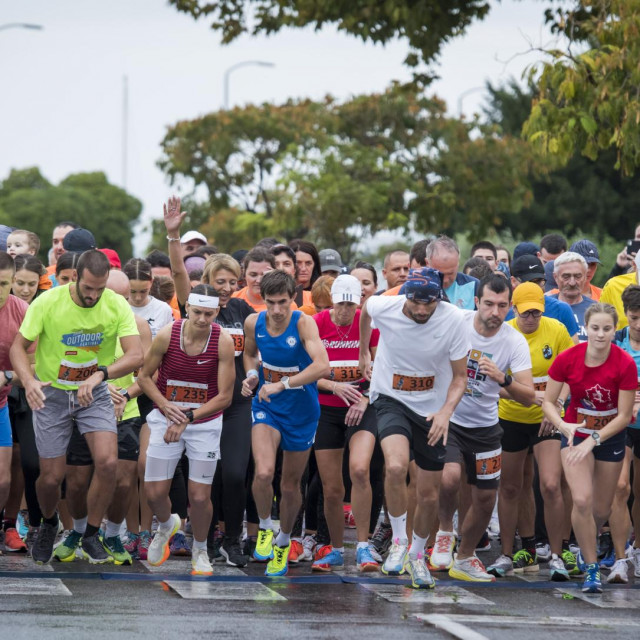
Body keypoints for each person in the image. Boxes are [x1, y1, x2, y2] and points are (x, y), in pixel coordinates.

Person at [10, 249, 143, 565]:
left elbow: (136, 354)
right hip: (52, 394)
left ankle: (91, 533)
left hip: (92, 393)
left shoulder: (114, 304)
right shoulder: (49, 302)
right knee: (51, 478)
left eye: (100, 288)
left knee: (108, 462)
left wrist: (101, 374)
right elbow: (18, 347)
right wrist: (28, 381)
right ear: (75, 278)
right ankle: (48, 521)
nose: (94, 295)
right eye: (88, 289)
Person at [359, 268, 470, 588]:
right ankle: (398, 542)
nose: (422, 310)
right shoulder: (386, 307)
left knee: (429, 493)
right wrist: (363, 350)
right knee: (395, 466)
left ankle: (418, 555)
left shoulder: (454, 320)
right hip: (391, 398)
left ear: (439, 298)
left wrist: (446, 412)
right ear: (405, 295)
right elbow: (365, 311)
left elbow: (460, 377)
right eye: (416, 302)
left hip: (433, 410)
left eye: (429, 303)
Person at [431, 275, 535, 582]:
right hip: (450, 417)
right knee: (449, 479)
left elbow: (529, 396)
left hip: (486, 426)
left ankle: (465, 557)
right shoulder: (457, 322)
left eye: (503, 306)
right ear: (477, 302)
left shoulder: (513, 340)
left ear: (511, 308)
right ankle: (444, 532)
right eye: (489, 304)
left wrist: (503, 378)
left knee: (487, 498)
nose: (495, 312)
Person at [54, 270, 152, 565]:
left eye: (126, 298)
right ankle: (79, 532)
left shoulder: (138, 325)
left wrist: (126, 396)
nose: (121, 303)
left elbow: (147, 374)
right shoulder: (76, 322)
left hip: (126, 410)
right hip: (82, 408)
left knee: (123, 482)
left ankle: (111, 534)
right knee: (77, 480)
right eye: (114, 296)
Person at [138, 284, 235, 576]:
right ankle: (168, 525)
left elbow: (225, 397)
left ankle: (201, 548)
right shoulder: (168, 334)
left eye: (209, 314)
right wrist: (167, 407)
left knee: (200, 496)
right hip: (167, 414)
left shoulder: (223, 341)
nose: (203, 319)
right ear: (186, 310)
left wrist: (188, 417)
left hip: (203, 422)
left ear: (217, 312)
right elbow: (143, 377)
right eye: (197, 313)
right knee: (154, 493)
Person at [542, 302, 636, 594]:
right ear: (587, 328)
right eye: (594, 328)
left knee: (601, 509)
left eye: (607, 329)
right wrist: (562, 425)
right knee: (581, 500)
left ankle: (586, 544)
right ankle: (592, 568)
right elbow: (547, 401)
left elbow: (623, 416)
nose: (600, 334)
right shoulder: (568, 359)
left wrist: (596, 439)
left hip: (609, 437)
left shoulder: (624, 363)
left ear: (614, 330)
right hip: (574, 434)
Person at [241, 270, 330, 577]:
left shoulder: (303, 323)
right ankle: (265, 527)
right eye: (270, 303)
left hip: (302, 412)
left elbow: (323, 366)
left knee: (290, 485)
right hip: (267, 405)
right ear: (261, 299)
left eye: (283, 302)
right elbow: (250, 354)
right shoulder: (254, 322)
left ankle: (283, 540)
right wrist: (252, 376)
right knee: (264, 471)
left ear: (294, 298)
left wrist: (283, 383)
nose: (277, 311)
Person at [487, 283, 574, 581]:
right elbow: (494, 384)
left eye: (536, 312)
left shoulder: (557, 330)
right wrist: (527, 396)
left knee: (550, 484)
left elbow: (571, 374)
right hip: (511, 418)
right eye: (525, 313)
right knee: (511, 486)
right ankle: (508, 553)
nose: (531, 318)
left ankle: (558, 555)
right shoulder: (503, 333)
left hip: (547, 419)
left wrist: (556, 405)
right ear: (514, 308)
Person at [311, 275, 381, 573]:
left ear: (359, 303)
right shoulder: (315, 324)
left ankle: (363, 548)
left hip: (362, 407)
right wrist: (334, 387)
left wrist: (364, 399)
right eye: (340, 304)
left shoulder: (369, 327)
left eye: (351, 305)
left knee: (360, 470)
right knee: (331, 487)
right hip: (326, 408)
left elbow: (381, 370)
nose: (345, 311)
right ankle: (337, 549)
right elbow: (306, 371)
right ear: (331, 302)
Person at [0, 252, 31, 553]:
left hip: (3, 402)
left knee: (4, 478)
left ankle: (7, 524)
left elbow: (37, 363)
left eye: (3, 283)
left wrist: (9, 373)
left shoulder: (21, 310)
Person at [610, 285, 640, 583]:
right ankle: (620, 558)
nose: (639, 324)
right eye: (634, 318)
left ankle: (638, 549)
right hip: (622, 425)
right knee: (620, 488)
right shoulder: (617, 342)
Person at [507, 255, 579, 342]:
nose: (535, 287)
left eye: (538, 281)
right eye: (529, 282)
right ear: (513, 281)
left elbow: (574, 353)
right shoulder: (506, 314)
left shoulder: (561, 309)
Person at [425, 236, 478, 310]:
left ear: (458, 263)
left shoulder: (474, 286)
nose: (445, 280)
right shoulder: (412, 288)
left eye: (450, 274)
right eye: (440, 275)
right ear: (427, 263)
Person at [552, 252, 594, 341]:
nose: (572, 283)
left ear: (585, 277)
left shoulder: (596, 311)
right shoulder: (544, 308)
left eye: (577, 276)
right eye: (566, 276)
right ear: (555, 277)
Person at [232, 248, 277, 312]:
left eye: (264, 275)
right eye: (253, 275)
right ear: (244, 275)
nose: (258, 280)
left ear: (274, 274)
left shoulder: (286, 304)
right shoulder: (231, 300)